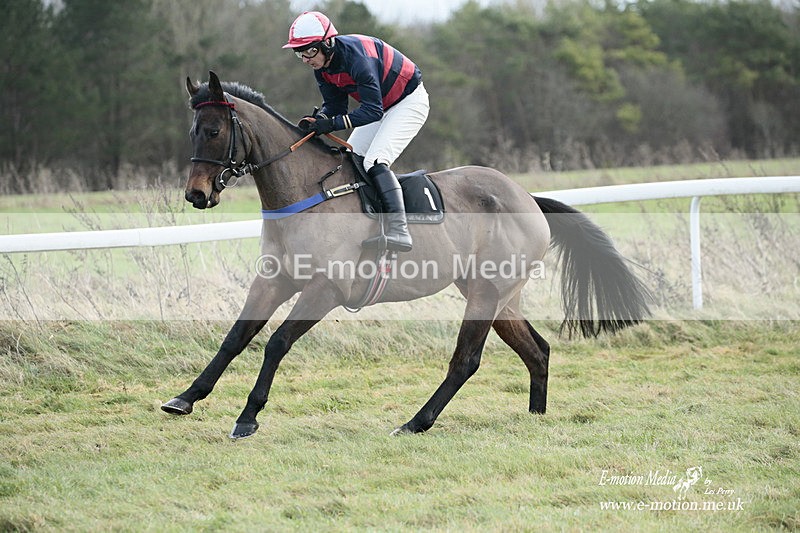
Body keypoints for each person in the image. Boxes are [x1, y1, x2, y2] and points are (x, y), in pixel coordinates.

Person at [283, 11, 429, 252]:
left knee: (375, 161)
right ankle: (367, 223)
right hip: (382, 105)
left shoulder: (357, 59)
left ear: (327, 44)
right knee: (352, 160)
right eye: (300, 53)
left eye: (310, 51)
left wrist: (331, 124)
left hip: (408, 101)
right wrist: (320, 120)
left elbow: (372, 111)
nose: (305, 59)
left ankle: (399, 230)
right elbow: (336, 107)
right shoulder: (322, 68)